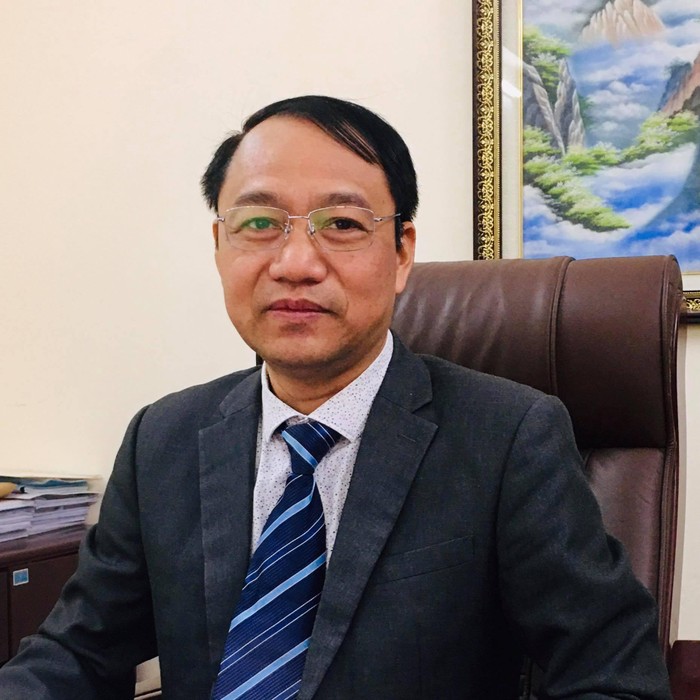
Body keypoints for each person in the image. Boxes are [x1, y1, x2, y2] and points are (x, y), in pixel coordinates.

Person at [0, 95, 672, 699]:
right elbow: (77, 654)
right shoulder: (162, 438)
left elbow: (614, 677)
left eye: (343, 224)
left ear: (401, 252)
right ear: (219, 246)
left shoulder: (509, 437)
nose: (295, 262)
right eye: (259, 222)